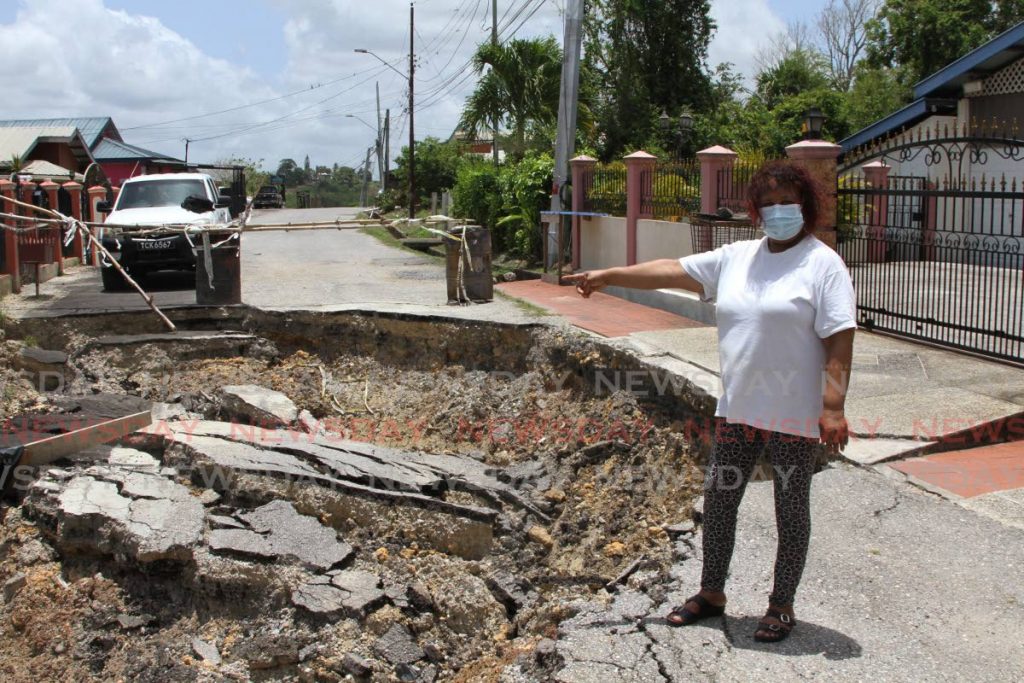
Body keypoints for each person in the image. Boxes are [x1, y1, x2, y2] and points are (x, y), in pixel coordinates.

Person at [564, 160, 856, 643]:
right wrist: (608, 273)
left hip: (794, 414)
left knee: (790, 506)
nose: (780, 210)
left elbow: (840, 338)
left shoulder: (823, 264)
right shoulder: (737, 257)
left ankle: (781, 605)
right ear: (756, 211)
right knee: (720, 500)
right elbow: (671, 270)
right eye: (770, 204)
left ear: (805, 205)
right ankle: (712, 593)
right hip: (738, 409)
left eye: (789, 201)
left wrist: (833, 407)